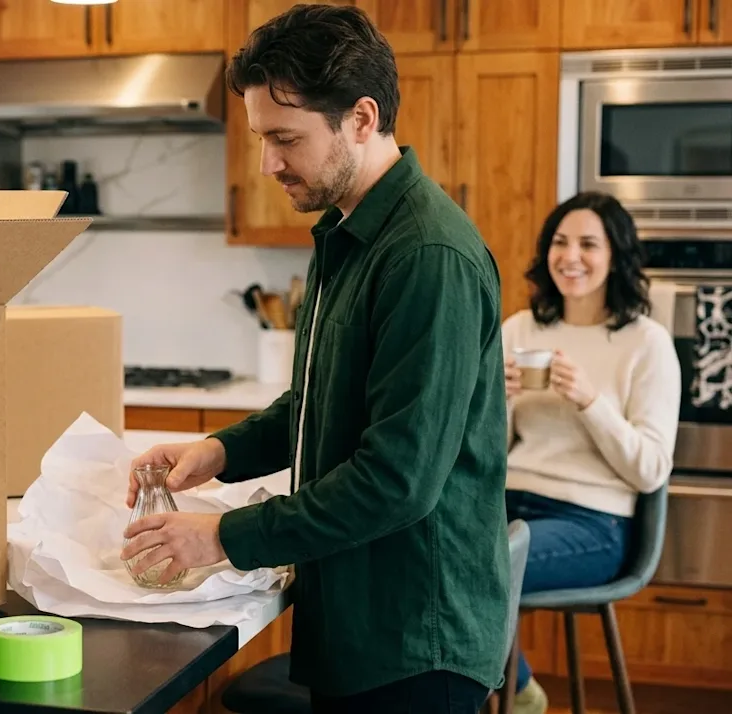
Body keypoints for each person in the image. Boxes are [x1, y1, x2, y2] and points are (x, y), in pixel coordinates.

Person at [118, 5, 511, 713]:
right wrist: (217, 450)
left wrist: (222, 536)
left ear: (361, 118)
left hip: (415, 640)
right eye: (262, 138)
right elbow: (323, 401)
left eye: (285, 138)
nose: (268, 162)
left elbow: (397, 480)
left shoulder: (426, 256)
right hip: (366, 625)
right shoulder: (348, 232)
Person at [501, 192, 681, 714]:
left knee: (477, 566)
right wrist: (496, 402)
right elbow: (489, 451)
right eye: (559, 242)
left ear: (616, 256)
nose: (570, 256)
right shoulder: (521, 328)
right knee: (423, 549)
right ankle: (513, 689)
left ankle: (512, 695)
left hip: (593, 524)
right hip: (508, 502)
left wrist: (590, 401)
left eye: (587, 244)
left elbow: (649, 470)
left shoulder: (646, 343)